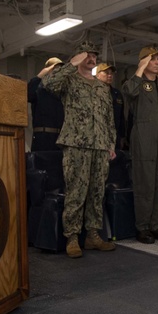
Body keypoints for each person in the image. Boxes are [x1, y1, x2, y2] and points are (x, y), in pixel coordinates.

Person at [41, 41, 117, 258]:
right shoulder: (69, 80)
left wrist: (110, 143)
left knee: (96, 192)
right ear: (78, 57)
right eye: (86, 55)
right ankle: (72, 237)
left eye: (93, 55)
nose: (91, 58)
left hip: (100, 145)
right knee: (76, 192)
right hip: (76, 143)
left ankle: (93, 235)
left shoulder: (103, 87)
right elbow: (47, 84)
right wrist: (69, 65)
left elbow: (108, 118)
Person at [123, 46, 158, 244]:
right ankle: (142, 227)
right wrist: (139, 69)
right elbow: (128, 91)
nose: (157, 62)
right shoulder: (137, 83)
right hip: (143, 135)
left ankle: (154, 225)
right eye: (152, 59)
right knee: (145, 184)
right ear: (143, 61)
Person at [28, 57, 65, 153]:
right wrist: (41, 75)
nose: (58, 72)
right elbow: (28, 94)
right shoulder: (39, 89)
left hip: (60, 138)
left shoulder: (62, 91)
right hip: (42, 137)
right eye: (54, 69)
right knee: (41, 165)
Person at [95, 62, 126, 152]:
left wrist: (122, 136)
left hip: (115, 136)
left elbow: (121, 117)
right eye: (106, 73)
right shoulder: (92, 92)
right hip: (97, 136)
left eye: (111, 73)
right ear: (97, 75)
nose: (109, 75)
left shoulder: (117, 94)